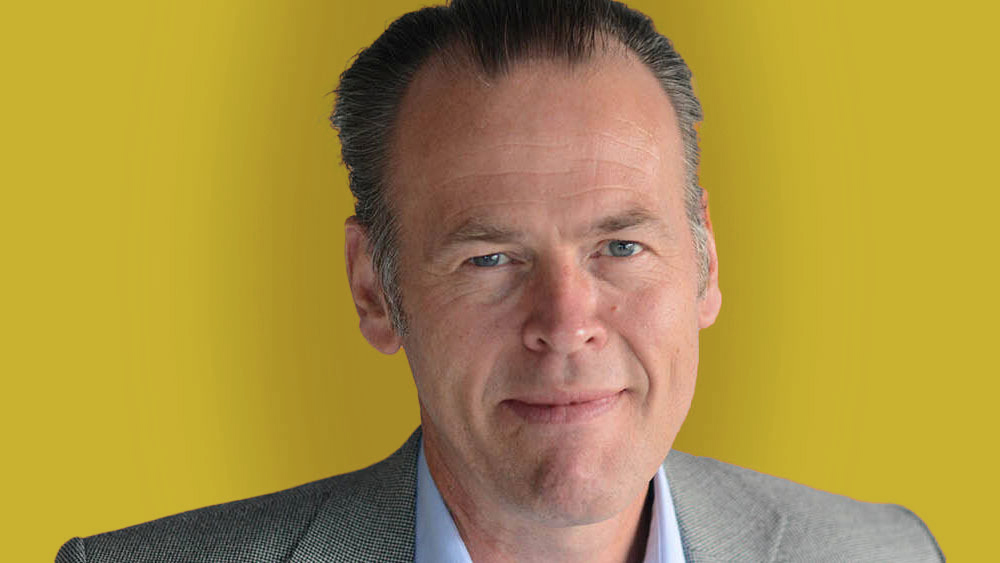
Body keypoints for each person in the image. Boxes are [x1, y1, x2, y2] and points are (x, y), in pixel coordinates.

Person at [57, 0, 944, 561]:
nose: (566, 320)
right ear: (374, 289)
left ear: (706, 260)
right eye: (489, 259)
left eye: (620, 246)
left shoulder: (885, 553)